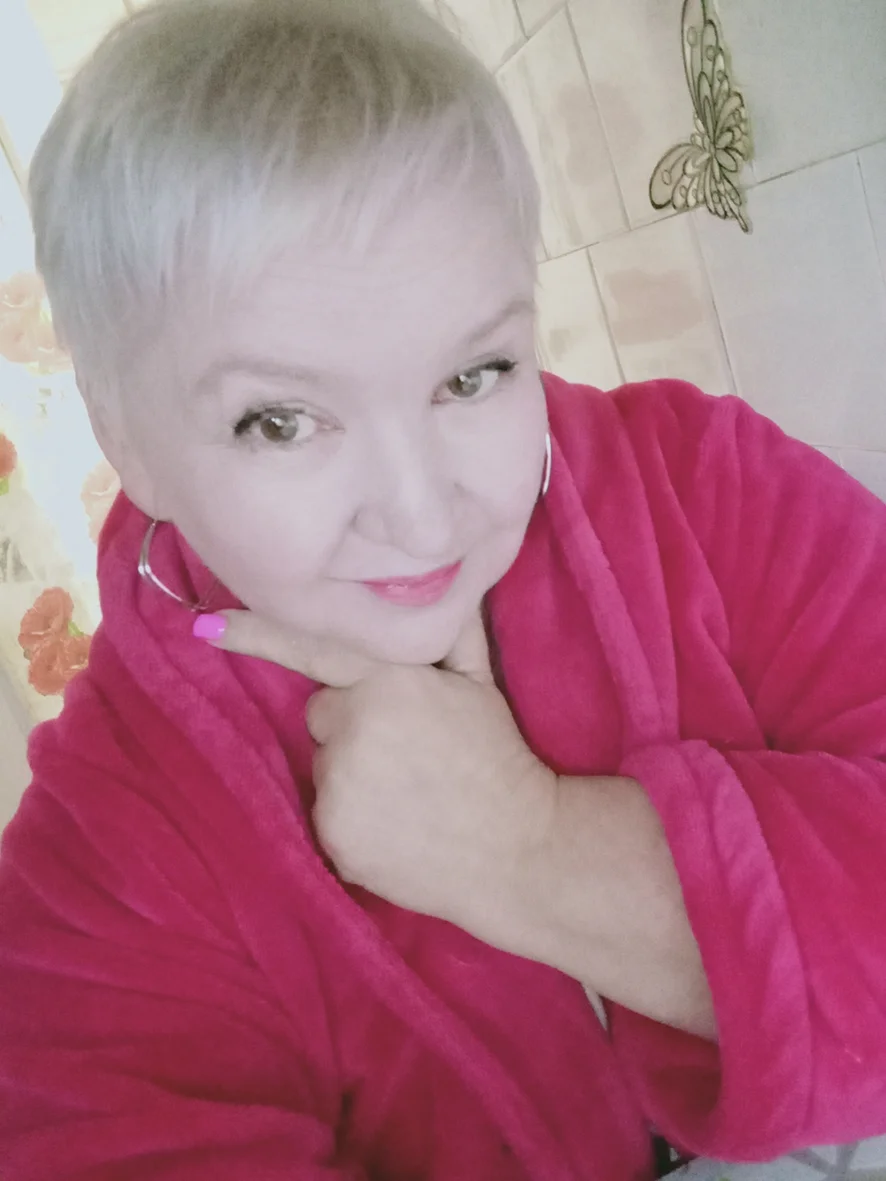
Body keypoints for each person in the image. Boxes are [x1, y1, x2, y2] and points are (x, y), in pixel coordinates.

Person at [1, 0, 886, 1176]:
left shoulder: (703, 485)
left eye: (474, 372)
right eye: (281, 419)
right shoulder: (112, 848)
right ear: (128, 438)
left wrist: (537, 848)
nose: (423, 515)